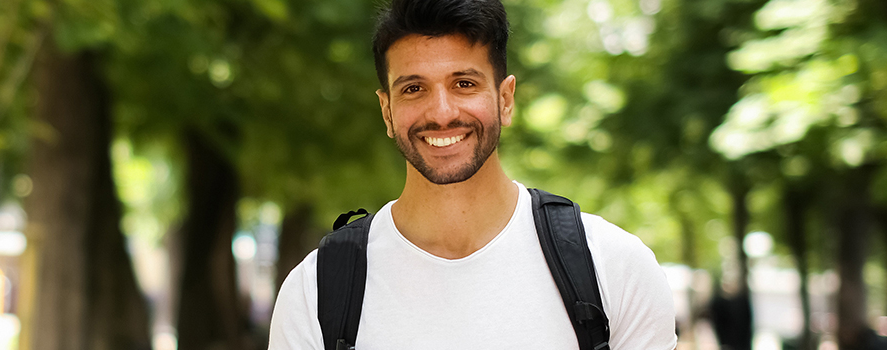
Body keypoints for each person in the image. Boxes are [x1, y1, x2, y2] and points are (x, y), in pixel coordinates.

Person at [267, 0, 677, 348]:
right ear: (387, 111)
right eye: (413, 88)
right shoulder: (315, 290)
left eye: (463, 83)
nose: (442, 112)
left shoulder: (615, 269)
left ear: (505, 99)